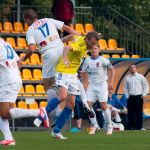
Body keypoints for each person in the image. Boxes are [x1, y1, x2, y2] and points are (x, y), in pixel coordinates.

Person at [34, 31, 100, 139]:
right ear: (87, 40)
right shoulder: (81, 45)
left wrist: (60, 41)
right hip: (64, 71)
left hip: (72, 74)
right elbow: (67, 48)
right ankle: (42, 113)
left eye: (94, 44)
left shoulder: (81, 37)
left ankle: (56, 131)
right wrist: (65, 58)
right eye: (91, 44)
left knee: (70, 104)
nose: (92, 47)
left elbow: (72, 36)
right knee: (62, 96)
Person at [21, 9, 80, 124]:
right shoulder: (48, 20)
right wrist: (81, 37)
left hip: (49, 54)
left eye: (25, 20)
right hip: (62, 51)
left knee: (48, 85)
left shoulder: (30, 30)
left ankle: (57, 111)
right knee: (66, 79)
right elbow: (67, 28)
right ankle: (73, 106)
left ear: (28, 19)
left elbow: (32, 49)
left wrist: (24, 58)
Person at [0, 39, 48, 146]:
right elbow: (19, 62)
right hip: (14, 78)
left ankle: (38, 112)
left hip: (7, 81)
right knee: (7, 111)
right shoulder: (5, 43)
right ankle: (9, 139)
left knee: (4, 113)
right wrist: (13, 73)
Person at [82, 44, 115, 135]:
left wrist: (111, 83)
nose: (94, 50)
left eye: (96, 49)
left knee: (103, 106)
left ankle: (109, 126)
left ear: (99, 50)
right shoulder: (87, 60)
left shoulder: (103, 60)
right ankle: (95, 126)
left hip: (102, 85)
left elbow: (112, 69)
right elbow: (84, 72)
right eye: (92, 49)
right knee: (87, 107)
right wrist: (85, 83)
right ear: (90, 50)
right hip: (91, 86)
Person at [124, 64, 149, 130]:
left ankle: (139, 127)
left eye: (133, 67)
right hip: (130, 97)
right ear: (129, 69)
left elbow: (146, 85)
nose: (132, 68)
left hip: (139, 97)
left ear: (136, 68)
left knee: (139, 113)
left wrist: (144, 94)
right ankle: (131, 127)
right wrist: (127, 96)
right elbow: (125, 88)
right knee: (130, 113)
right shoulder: (127, 78)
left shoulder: (141, 77)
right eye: (131, 67)